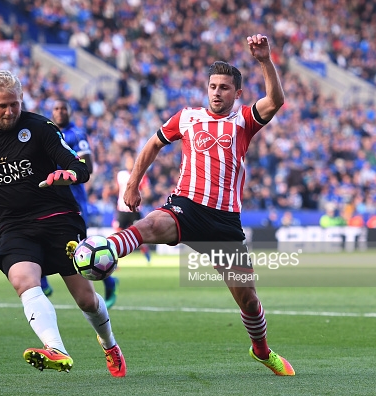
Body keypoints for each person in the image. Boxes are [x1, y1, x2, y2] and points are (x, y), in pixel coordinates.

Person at [73, 35, 295, 376]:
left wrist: (265, 61)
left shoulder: (244, 121)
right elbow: (152, 144)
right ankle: (105, 249)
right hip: (186, 207)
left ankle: (262, 351)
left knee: (249, 300)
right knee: (148, 226)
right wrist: (132, 183)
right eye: (212, 86)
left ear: (237, 93)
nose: (217, 92)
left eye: (224, 87)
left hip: (224, 224)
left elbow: (276, 100)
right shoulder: (187, 118)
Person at [0, 70, 126, 376]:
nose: (9, 112)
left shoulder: (41, 127)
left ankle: (109, 343)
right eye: (2, 105)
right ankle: (57, 349)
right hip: (15, 226)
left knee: (85, 299)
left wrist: (69, 174)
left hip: (59, 220)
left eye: (15, 104)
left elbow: (78, 165)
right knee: (23, 280)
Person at [40, 99, 119, 309]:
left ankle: (110, 281)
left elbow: (89, 166)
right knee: (40, 237)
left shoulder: (76, 134)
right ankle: (42, 282)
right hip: (51, 199)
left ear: (69, 112)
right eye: (55, 108)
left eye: (62, 108)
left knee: (82, 251)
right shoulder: (46, 134)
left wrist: (67, 169)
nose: (59, 112)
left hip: (74, 200)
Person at [115, 151, 152, 264]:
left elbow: (148, 192)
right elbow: (117, 189)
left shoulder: (141, 175)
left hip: (134, 210)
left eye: (131, 162)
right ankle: (114, 259)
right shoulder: (120, 175)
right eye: (128, 162)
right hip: (122, 209)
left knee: (139, 234)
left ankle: (146, 255)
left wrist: (140, 198)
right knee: (117, 234)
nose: (129, 164)